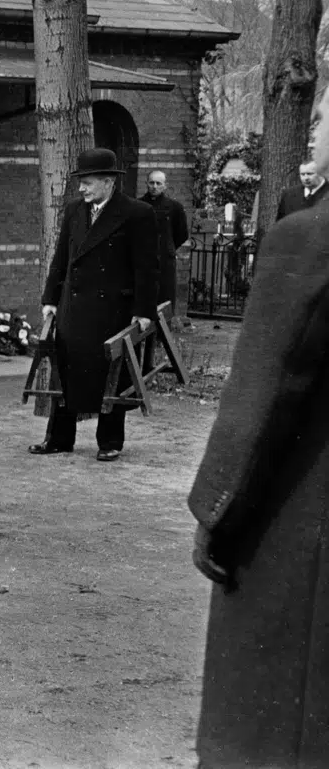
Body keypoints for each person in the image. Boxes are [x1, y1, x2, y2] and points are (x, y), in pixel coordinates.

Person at [187, 106, 329, 769]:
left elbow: (265, 391)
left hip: (301, 518)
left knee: (270, 727)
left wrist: (216, 511)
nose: (313, 129)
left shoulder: (309, 237)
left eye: (322, 116)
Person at [32, 148, 157, 462]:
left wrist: (143, 311)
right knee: (65, 371)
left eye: (87, 182)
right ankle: (58, 438)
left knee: (111, 372)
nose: (81, 188)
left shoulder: (137, 213)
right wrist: (50, 299)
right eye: (81, 182)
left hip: (112, 310)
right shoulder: (74, 210)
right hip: (73, 307)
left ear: (108, 181)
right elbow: (61, 257)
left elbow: (147, 267)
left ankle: (110, 441)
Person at [140, 170, 189, 322]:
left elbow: (182, 234)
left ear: (165, 186)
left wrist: (167, 247)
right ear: (146, 184)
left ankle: (163, 332)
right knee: (144, 297)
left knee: (165, 298)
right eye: (151, 183)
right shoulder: (138, 206)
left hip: (165, 262)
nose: (154, 186)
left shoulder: (175, 207)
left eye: (158, 183)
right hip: (143, 261)